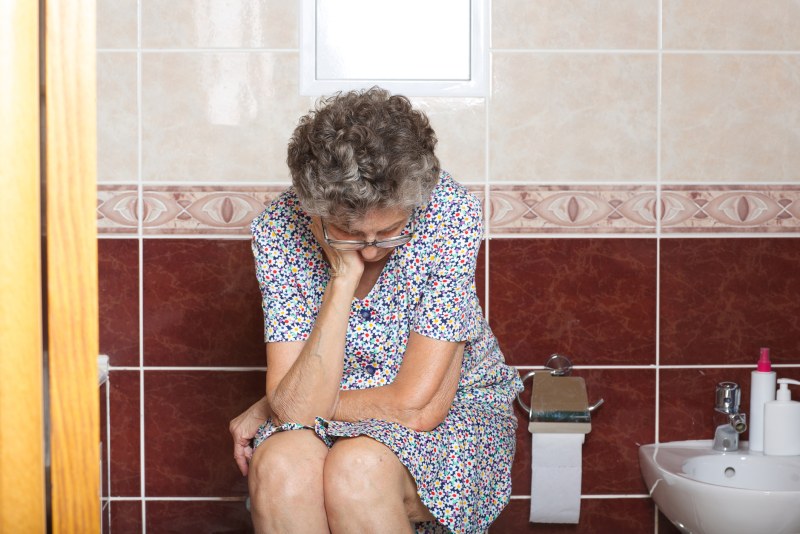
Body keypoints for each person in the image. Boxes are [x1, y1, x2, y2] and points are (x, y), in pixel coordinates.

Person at [229, 87, 523, 534]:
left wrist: (276, 404)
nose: (369, 251)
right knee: (281, 467)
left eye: (389, 231)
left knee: (358, 470)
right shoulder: (280, 228)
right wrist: (341, 279)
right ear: (314, 211)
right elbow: (293, 414)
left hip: (452, 413)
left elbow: (415, 408)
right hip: (342, 402)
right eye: (348, 232)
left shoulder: (449, 211)